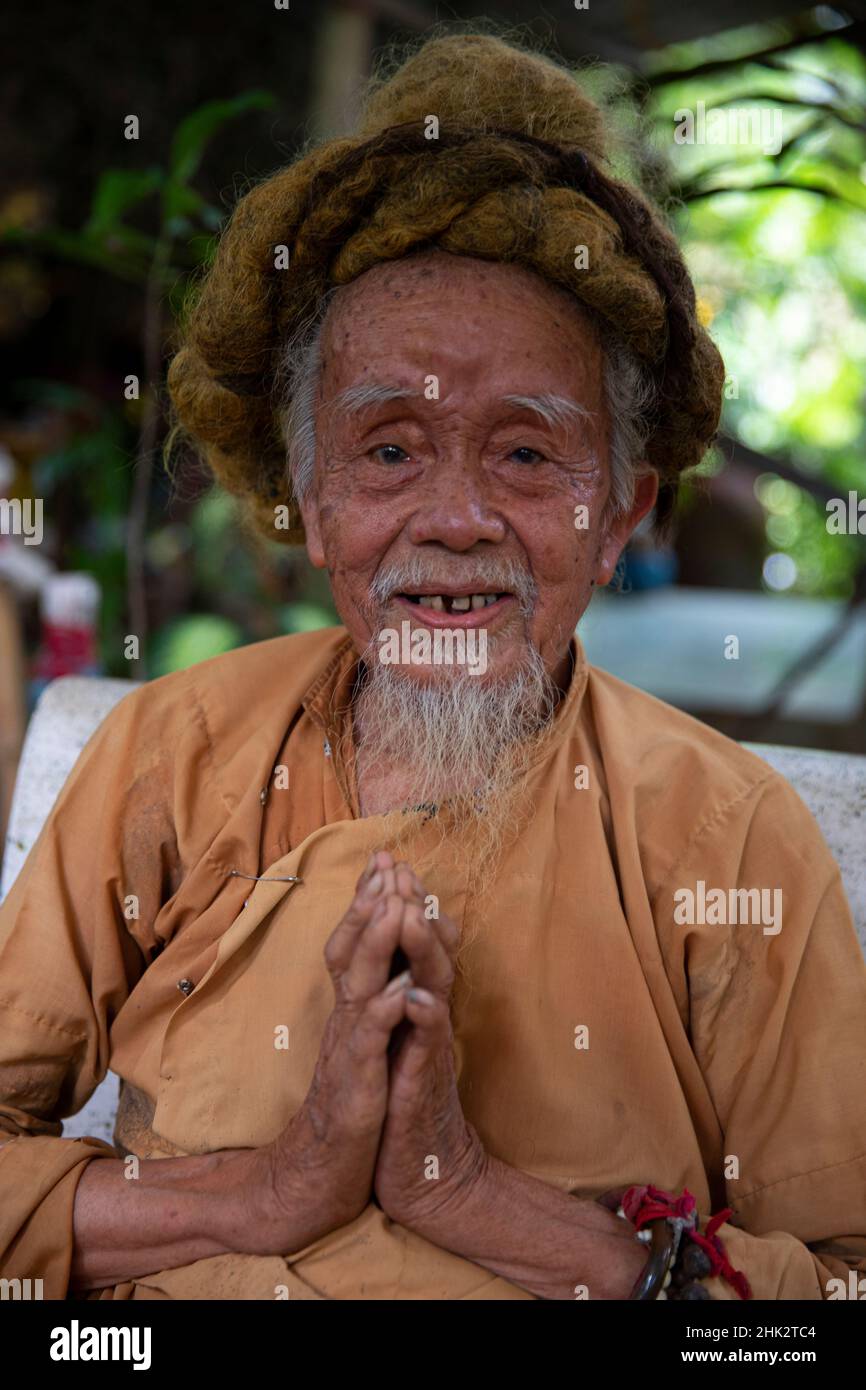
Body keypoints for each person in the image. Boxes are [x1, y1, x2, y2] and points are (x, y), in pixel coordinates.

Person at [1, 32, 864, 1302]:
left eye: (524, 455)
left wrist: (465, 1191)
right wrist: (276, 1186)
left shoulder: (725, 838)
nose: (453, 518)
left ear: (619, 512)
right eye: (389, 451)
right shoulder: (168, 757)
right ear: (305, 493)